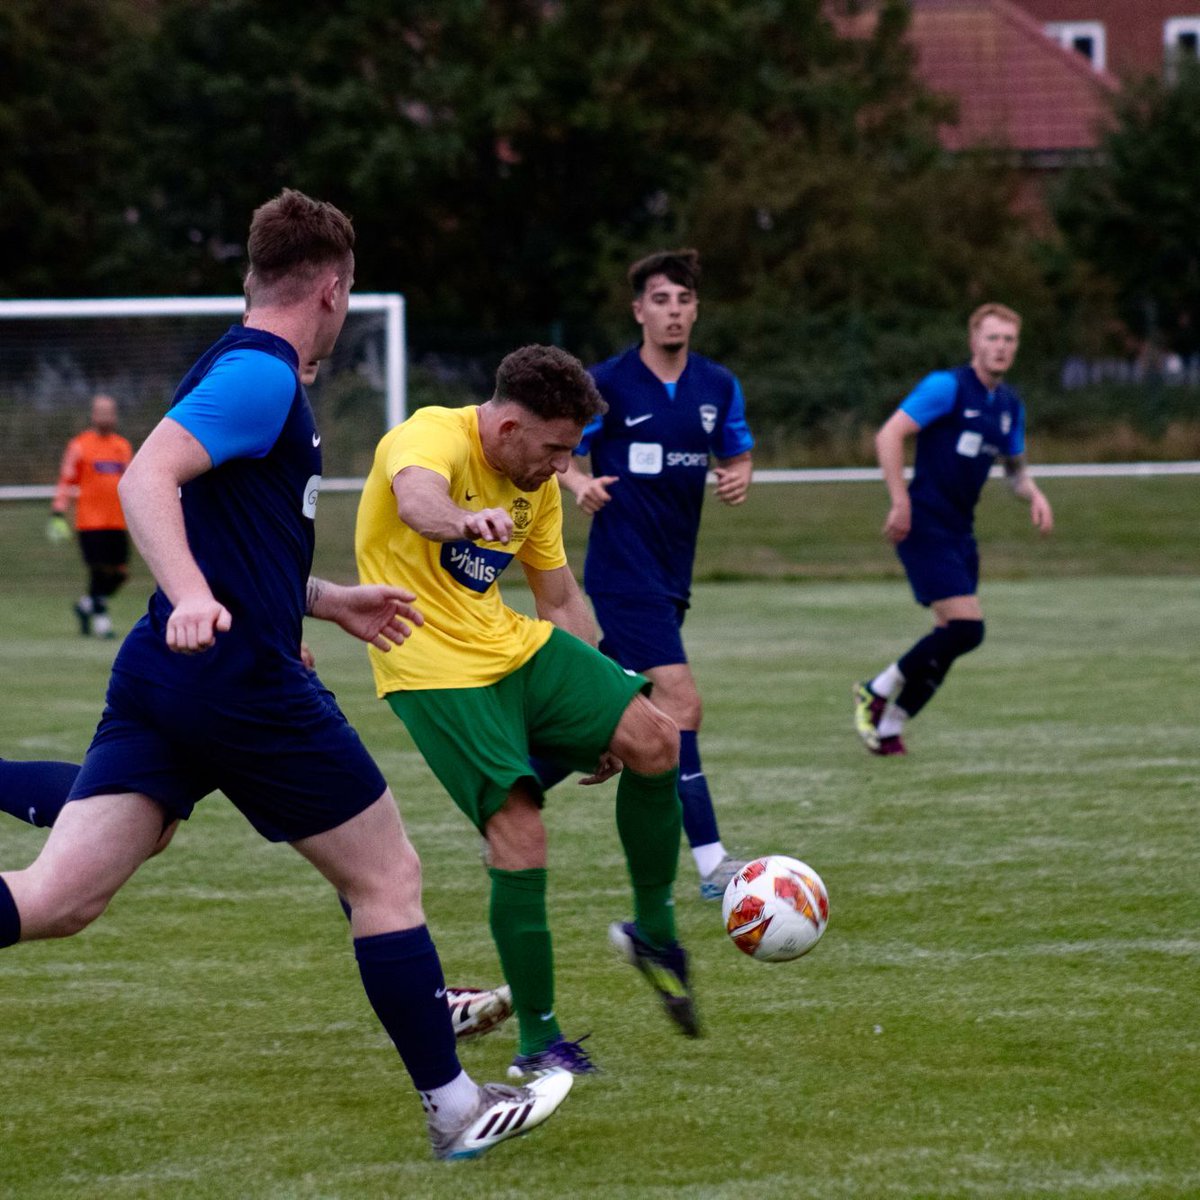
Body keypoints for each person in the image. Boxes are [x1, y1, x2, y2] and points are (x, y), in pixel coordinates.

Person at [0, 189, 569, 1162]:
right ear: (334, 291)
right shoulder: (263, 377)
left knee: (57, 898)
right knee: (388, 876)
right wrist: (187, 594)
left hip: (173, 672)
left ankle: (452, 1087)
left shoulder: (245, 370)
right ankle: (457, 1108)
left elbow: (238, 543)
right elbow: (147, 478)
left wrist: (328, 599)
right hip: (236, 679)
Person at [354, 343, 697, 1080]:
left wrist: (603, 700)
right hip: (428, 664)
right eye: (555, 449)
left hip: (508, 644)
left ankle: (655, 932)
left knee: (655, 737)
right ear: (508, 427)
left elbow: (560, 597)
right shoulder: (429, 435)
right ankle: (539, 1043)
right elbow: (417, 496)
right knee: (520, 831)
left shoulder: (534, 481)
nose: (561, 466)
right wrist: (461, 522)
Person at [0, 749, 513, 1043]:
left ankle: (431, 1016)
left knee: (367, 855)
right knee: (70, 890)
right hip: (225, 673)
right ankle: (445, 1070)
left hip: (241, 662)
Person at [560, 249, 754, 900]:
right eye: (661, 300)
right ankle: (711, 864)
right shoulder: (607, 383)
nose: (674, 312)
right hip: (622, 570)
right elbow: (557, 451)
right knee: (681, 704)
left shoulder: (717, 385)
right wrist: (578, 482)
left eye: (684, 301)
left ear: (696, 310)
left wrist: (738, 477)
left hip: (673, 574)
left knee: (597, 713)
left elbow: (738, 450)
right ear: (639, 309)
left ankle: (508, 790)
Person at [853, 303, 1054, 755]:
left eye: (1008, 340)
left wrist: (1034, 495)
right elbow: (889, 435)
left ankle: (890, 727)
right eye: (992, 338)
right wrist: (899, 500)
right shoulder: (946, 387)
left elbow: (1015, 472)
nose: (1000, 347)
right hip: (924, 523)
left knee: (949, 636)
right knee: (967, 629)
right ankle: (877, 690)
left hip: (962, 531)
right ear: (974, 343)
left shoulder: (1008, 406)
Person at [47, 393, 134, 639]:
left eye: (110, 412)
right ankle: (101, 620)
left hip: (117, 521)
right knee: (99, 571)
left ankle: (85, 606)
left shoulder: (122, 446)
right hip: (90, 522)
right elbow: (66, 479)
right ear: (94, 415)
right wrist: (58, 511)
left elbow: (132, 480)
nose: (106, 416)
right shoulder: (79, 446)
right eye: (102, 412)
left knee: (120, 574)